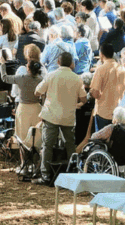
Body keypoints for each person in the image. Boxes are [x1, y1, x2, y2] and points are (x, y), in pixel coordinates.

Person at [34, 53, 87, 185]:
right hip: (68, 117)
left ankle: (46, 175)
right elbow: (84, 99)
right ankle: (72, 174)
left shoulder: (51, 75)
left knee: (47, 146)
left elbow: (37, 92)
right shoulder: (77, 78)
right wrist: (76, 104)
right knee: (70, 145)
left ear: (58, 62)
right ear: (72, 64)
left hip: (51, 115)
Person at [2, 56, 43, 169]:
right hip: (36, 108)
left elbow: (4, 78)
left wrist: (2, 65)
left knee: (22, 137)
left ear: (28, 69)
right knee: (36, 137)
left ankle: (23, 163)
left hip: (23, 109)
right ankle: (36, 164)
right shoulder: (40, 79)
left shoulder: (21, 78)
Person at [90, 44, 125, 132]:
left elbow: (96, 93)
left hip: (103, 111)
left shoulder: (101, 69)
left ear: (101, 54)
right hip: (118, 112)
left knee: (101, 141)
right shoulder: (122, 69)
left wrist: (91, 93)